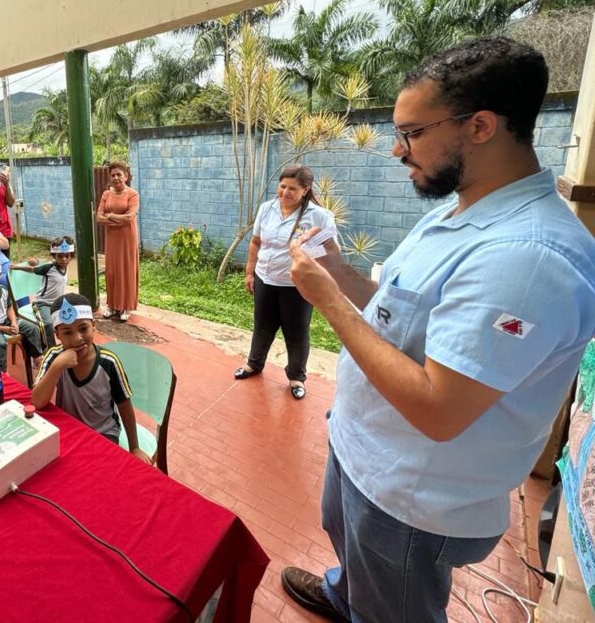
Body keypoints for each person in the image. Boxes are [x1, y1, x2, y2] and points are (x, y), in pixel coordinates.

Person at [280, 37, 595, 622]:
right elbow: (401, 316)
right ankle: (343, 594)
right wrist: (342, 275)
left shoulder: (527, 258)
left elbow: (439, 410)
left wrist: (326, 301)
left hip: (410, 499)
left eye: (413, 133)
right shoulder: (459, 209)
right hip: (365, 453)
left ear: (480, 126)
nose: (399, 150)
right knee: (350, 553)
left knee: (393, 604)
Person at [235, 166, 336, 400]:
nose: (285, 192)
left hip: (297, 285)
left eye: (292, 188)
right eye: (282, 186)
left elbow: (331, 253)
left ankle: (296, 378)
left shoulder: (318, 216)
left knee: (297, 332)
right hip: (265, 277)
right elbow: (256, 242)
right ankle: (254, 364)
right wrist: (250, 273)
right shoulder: (266, 208)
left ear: (306, 190)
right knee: (262, 326)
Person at [31, 293, 151, 463]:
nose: (77, 338)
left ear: (93, 326)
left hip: (103, 431)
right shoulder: (54, 357)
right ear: (57, 334)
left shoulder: (109, 362)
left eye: (83, 328)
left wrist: (135, 447)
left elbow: (124, 404)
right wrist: (57, 366)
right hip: (69, 427)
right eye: (67, 332)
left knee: (99, 468)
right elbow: (37, 401)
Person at [0, 260, 43, 373]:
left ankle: (37, 357)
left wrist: (14, 322)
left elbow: (9, 308)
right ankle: (3, 371)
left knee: (32, 328)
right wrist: (2, 329)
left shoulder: (4, 289)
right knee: (0, 344)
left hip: (5, 320)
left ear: (0, 275)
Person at [96, 161, 139, 321]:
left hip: (127, 237)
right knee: (112, 270)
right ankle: (112, 306)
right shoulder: (106, 194)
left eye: (119, 174)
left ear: (126, 176)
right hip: (112, 238)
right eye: (113, 175)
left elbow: (130, 218)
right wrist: (114, 219)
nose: (116, 178)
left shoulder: (133, 194)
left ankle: (126, 307)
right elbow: (99, 218)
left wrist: (111, 216)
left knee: (126, 270)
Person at [12, 236, 74, 347]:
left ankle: (69, 344)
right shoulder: (49, 268)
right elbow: (33, 269)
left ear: (71, 256)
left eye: (67, 256)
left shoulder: (66, 267)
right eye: (60, 256)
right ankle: (51, 349)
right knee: (48, 324)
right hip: (42, 303)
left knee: (72, 318)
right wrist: (16, 267)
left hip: (58, 303)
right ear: (54, 256)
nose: (64, 259)